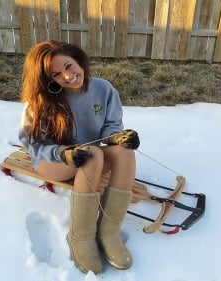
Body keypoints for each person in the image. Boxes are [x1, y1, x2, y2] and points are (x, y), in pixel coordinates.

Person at [18, 40, 140, 274]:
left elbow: (111, 125)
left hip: (88, 156)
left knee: (125, 152)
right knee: (91, 154)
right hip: (52, 161)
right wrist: (62, 152)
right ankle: (81, 236)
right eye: (56, 74)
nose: (68, 76)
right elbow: (33, 143)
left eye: (69, 65)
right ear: (48, 80)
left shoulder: (104, 89)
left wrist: (117, 138)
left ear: (78, 59)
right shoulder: (40, 101)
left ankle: (108, 233)